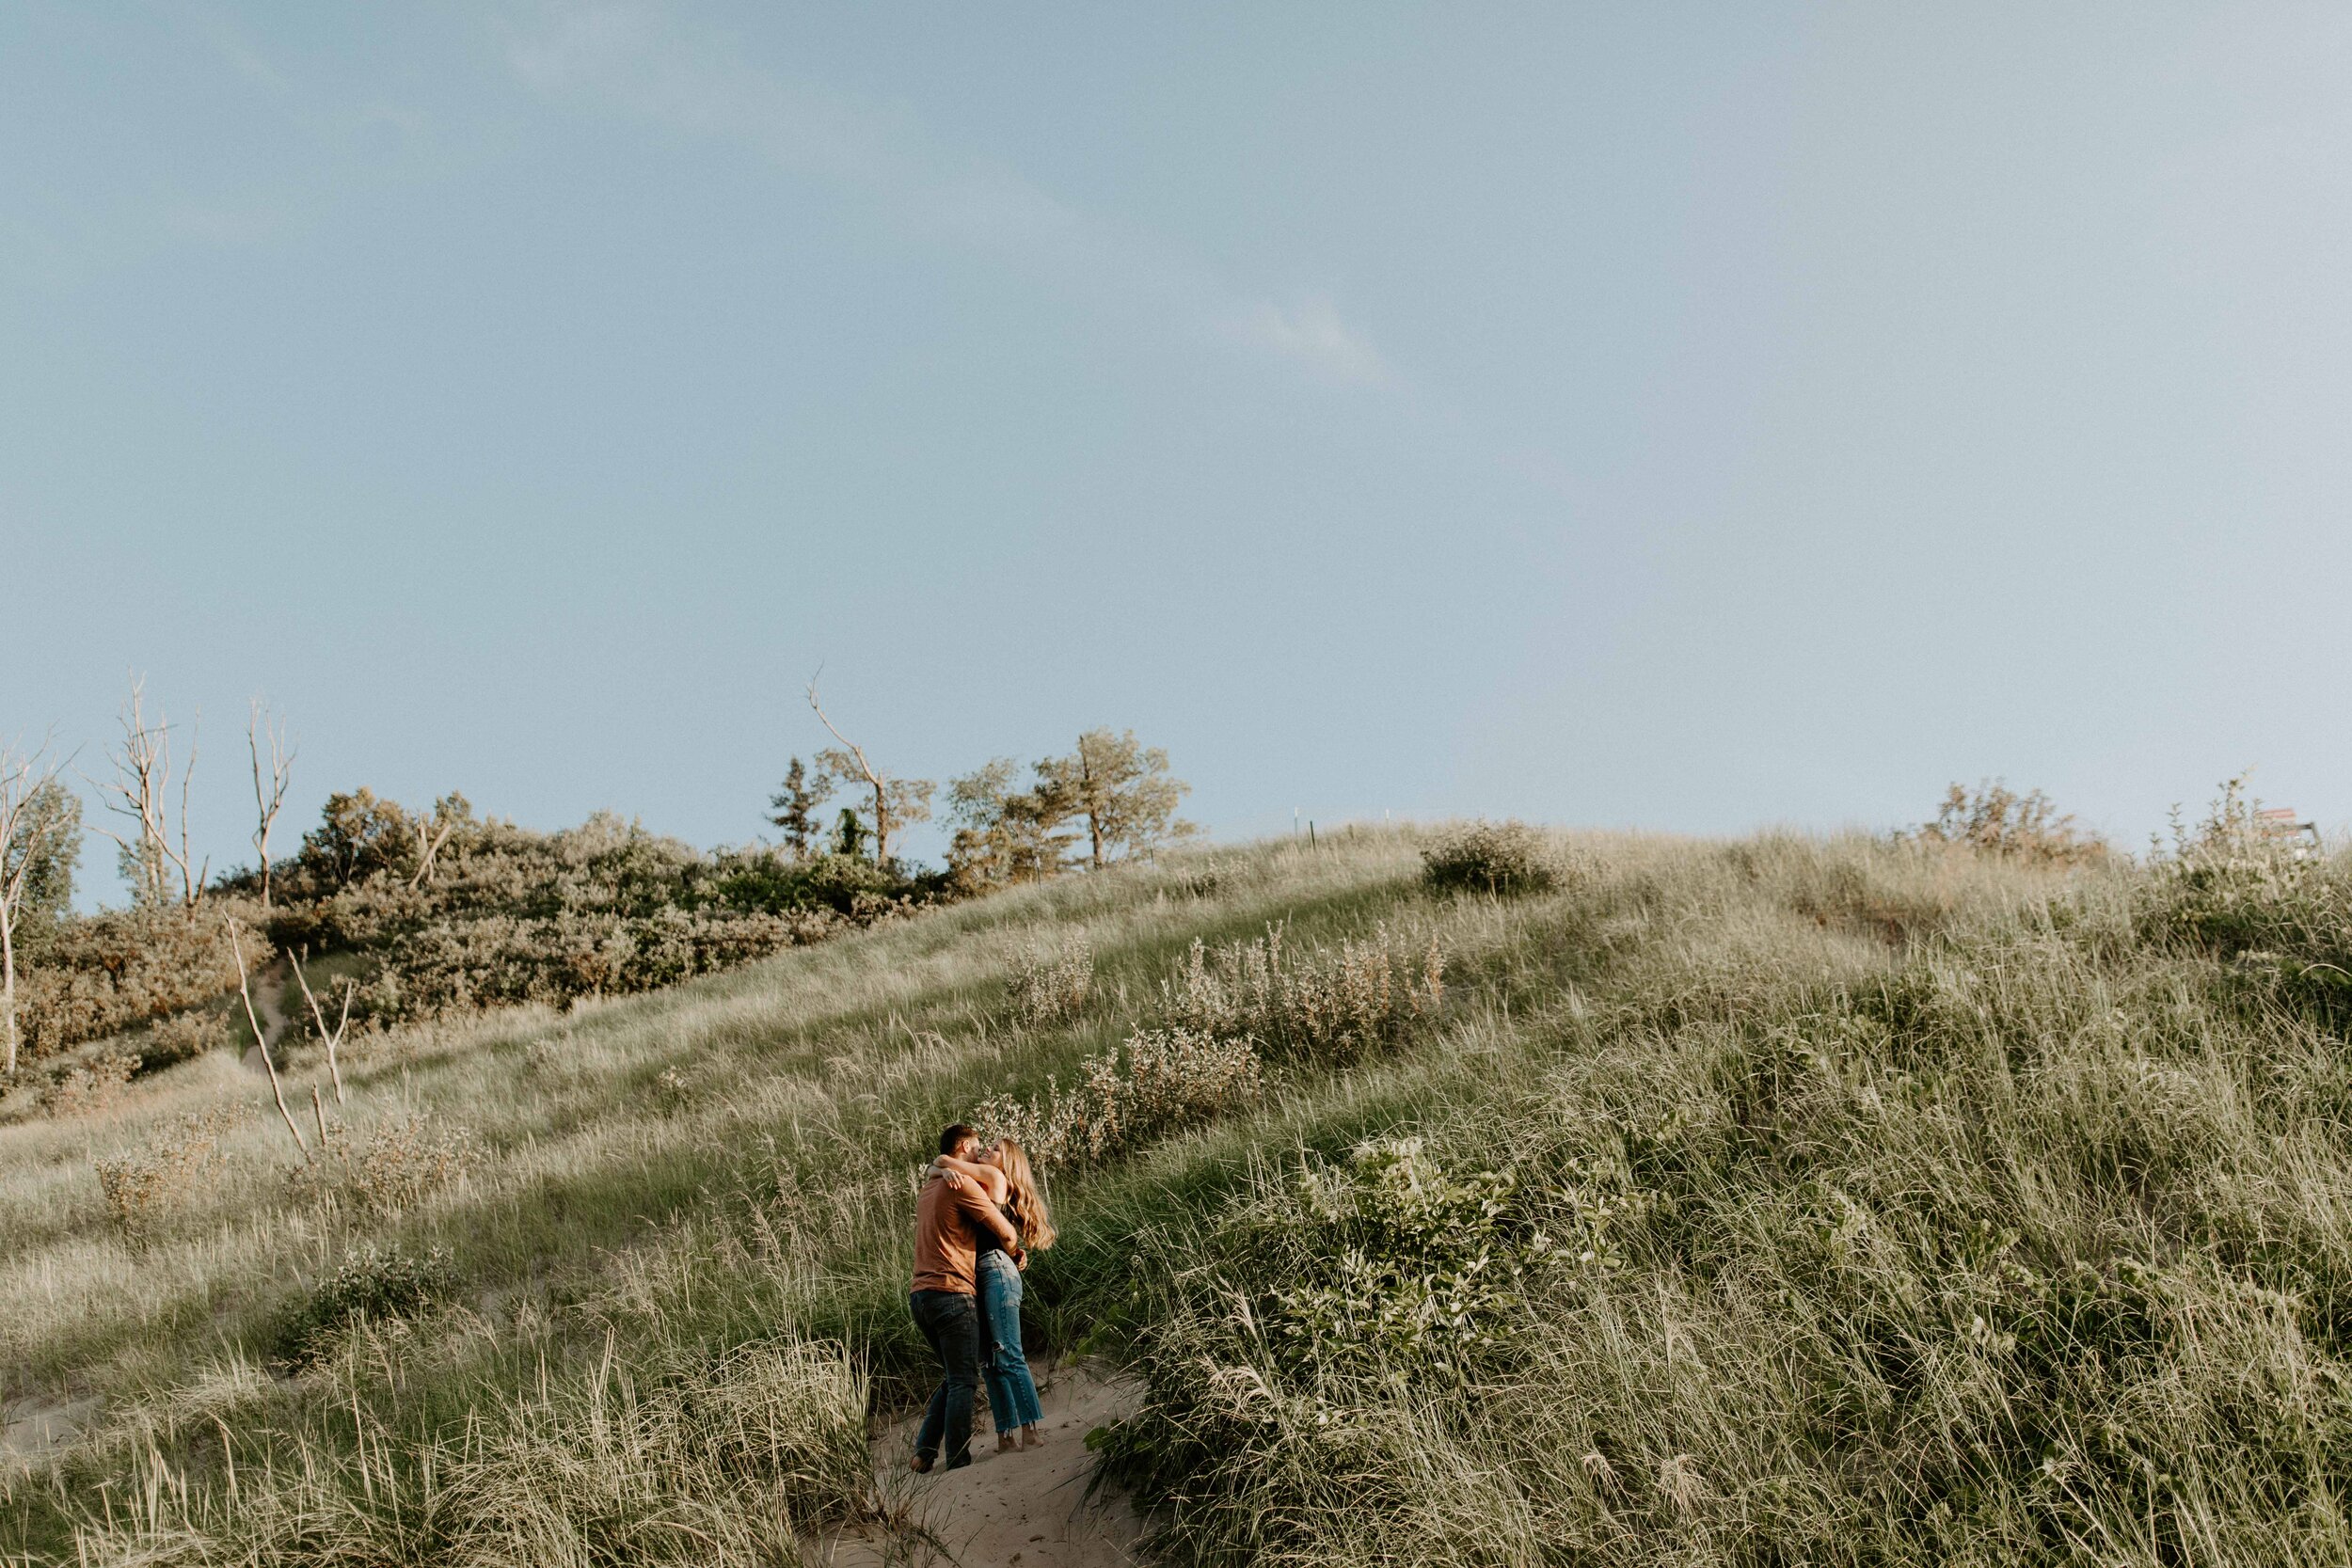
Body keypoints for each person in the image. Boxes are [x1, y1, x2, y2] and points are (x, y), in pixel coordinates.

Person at [927, 1135, 1057, 1451]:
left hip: (995, 1270)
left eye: (995, 1149)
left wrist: (943, 1167)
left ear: (1007, 1162)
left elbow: (942, 1161)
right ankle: (1005, 1436)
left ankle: (1031, 1431)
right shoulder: (982, 1182)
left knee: (1008, 1353)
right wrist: (941, 1170)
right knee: (989, 1361)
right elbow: (937, 1168)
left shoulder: (994, 1177)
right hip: (977, 1275)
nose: (987, 1149)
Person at [909, 1123, 1024, 1472]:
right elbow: (1001, 1226)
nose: (978, 1154)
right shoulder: (962, 1185)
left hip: (920, 1297)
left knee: (951, 1375)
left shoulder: (929, 1188)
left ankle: (924, 1452)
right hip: (952, 1294)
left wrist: (940, 1168)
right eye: (975, 1148)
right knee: (963, 1380)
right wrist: (1017, 1253)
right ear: (962, 1146)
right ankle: (957, 1459)